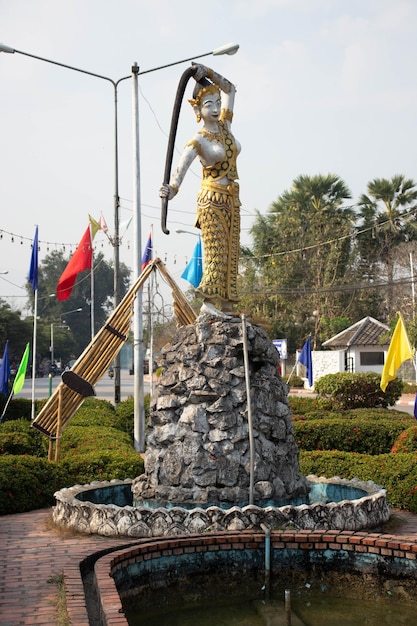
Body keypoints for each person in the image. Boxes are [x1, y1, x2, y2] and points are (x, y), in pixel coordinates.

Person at [159, 63, 241, 316]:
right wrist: (172, 189)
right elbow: (181, 166)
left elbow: (231, 89)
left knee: (231, 252)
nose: (216, 109)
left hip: (232, 200)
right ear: (197, 109)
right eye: (209, 105)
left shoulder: (225, 126)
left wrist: (210, 73)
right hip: (211, 199)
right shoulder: (199, 140)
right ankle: (207, 302)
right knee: (215, 250)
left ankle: (226, 303)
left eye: (217, 103)